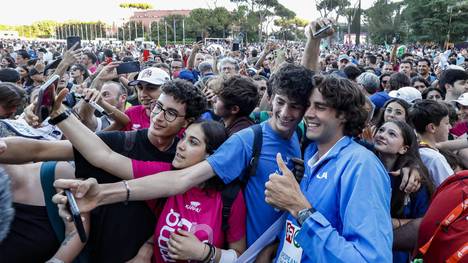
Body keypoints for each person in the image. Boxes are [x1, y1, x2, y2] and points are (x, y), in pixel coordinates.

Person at [52, 62, 315, 250]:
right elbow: (178, 180)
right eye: (280, 102)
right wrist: (101, 195)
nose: (285, 112)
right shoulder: (244, 141)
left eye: (295, 106)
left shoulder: (295, 135)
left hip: (277, 247)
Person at [265, 75, 392, 262]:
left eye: (320, 107)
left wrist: (301, 210)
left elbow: (369, 259)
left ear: (344, 115)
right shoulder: (309, 152)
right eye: (307, 105)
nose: (308, 114)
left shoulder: (361, 167)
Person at [373, 120, 434, 262]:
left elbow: (424, 224)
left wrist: (393, 223)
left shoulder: (414, 182)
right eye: (381, 130)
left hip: (397, 254)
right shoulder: (364, 167)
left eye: (392, 134)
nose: (382, 135)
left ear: (404, 149)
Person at [409, 100, 454, 186]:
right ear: (432, 127)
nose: (450, 127)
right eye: (446, 123)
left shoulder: (414, 149)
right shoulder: (435, 158)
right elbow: (452, 189)